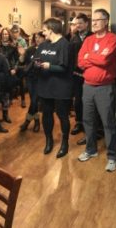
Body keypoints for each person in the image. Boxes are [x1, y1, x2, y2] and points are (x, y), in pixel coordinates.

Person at [77, 9, 116, 172]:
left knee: (108, 123)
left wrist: (90, 56)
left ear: (106, 21)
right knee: (88, 121)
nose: (93, 23)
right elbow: (80, 62)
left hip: (105, 87)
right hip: (87, 86)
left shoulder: (113, 39)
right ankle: (91, 150)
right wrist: (91, 57)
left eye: (97, 20)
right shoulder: (88, 39)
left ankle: (112, 157)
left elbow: (104, 60)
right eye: (92, 20)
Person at [34, 18, 72, 158]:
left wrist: (49, 66)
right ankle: (48, 140)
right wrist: (36, 64)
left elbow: (64, 67)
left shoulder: (64, 45)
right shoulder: (43, 45)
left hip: (61, 87)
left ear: (51, 29)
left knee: (63, 116)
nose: (43, 33)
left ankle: (65, 143)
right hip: (45, 86)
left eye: (44, 30)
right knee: (47, 115)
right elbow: (36, 60)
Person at [69, 13, 92, 136]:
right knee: (78, 100)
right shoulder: (73, 38)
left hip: (90, 74)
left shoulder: (93, 36)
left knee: (89, 100)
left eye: (80, 23)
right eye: (76, 23)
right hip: (76, 74)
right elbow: (71, 57)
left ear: (87, 23)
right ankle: (79, 122)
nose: (78, 25)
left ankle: (90, 124)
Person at [18, 31, 45, 132]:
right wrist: (22, 55)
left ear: (44, 38)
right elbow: (21, 62)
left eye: (39, 37)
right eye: (36, 37)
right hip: (30, 78)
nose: (37, 39)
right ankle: (36, 121)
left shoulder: (46, 49)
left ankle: (27, 121)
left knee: (34, 101)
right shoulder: (30, 49)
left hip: (40, 79)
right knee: (34, 101)